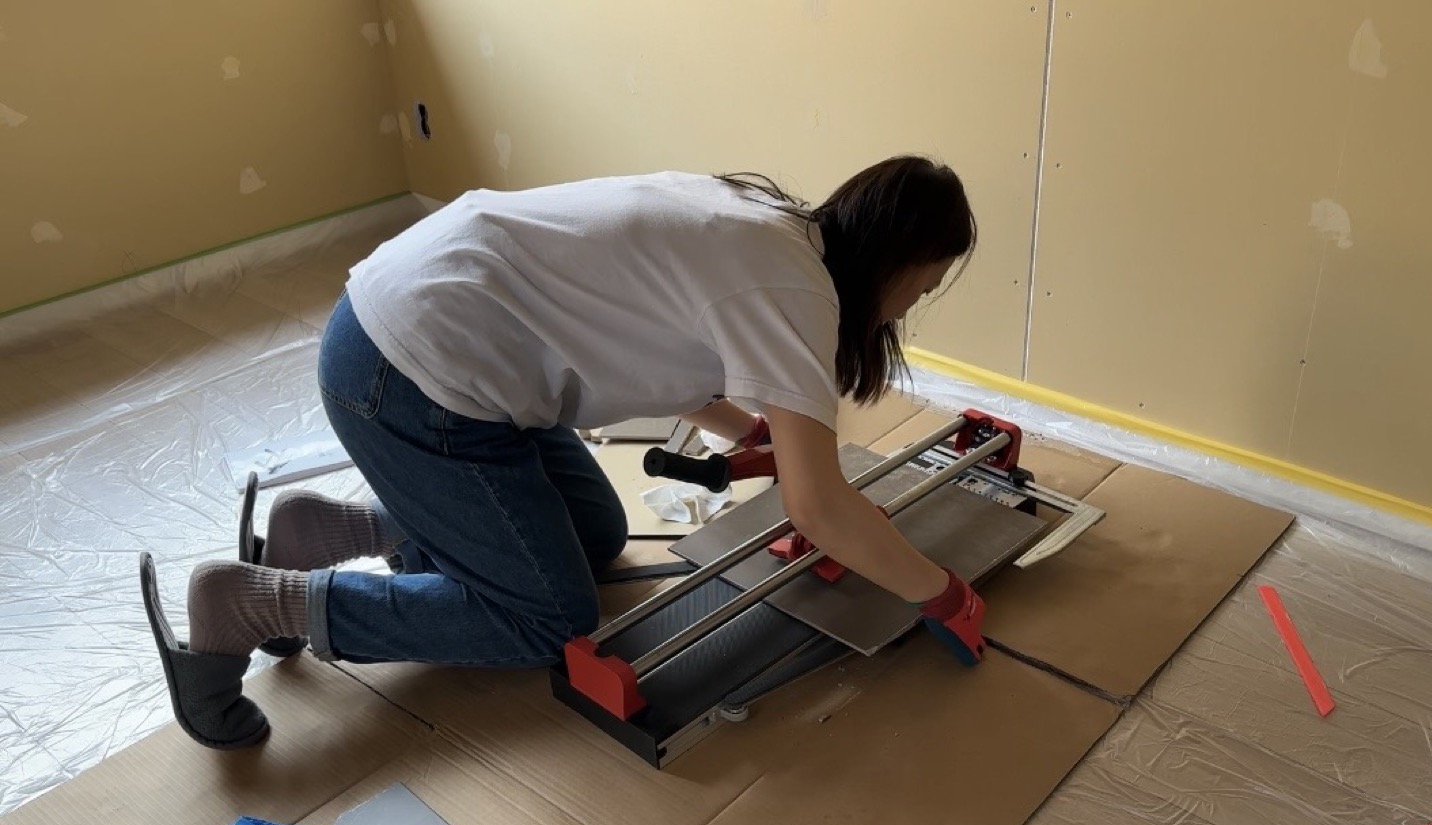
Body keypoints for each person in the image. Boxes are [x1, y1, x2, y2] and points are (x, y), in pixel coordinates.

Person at [139, 155, 992, 750]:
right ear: (902, 259)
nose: (914, 303)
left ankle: (323, 528)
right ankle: (254, 602)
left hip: (428, 335)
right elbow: (819, 507)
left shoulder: (770, 230)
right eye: (924, 284)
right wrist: (941, 592)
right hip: (413, 376)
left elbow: (666, 348)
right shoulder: (794, 292)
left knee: (590, 530)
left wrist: (747, 433)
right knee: (549, 615)